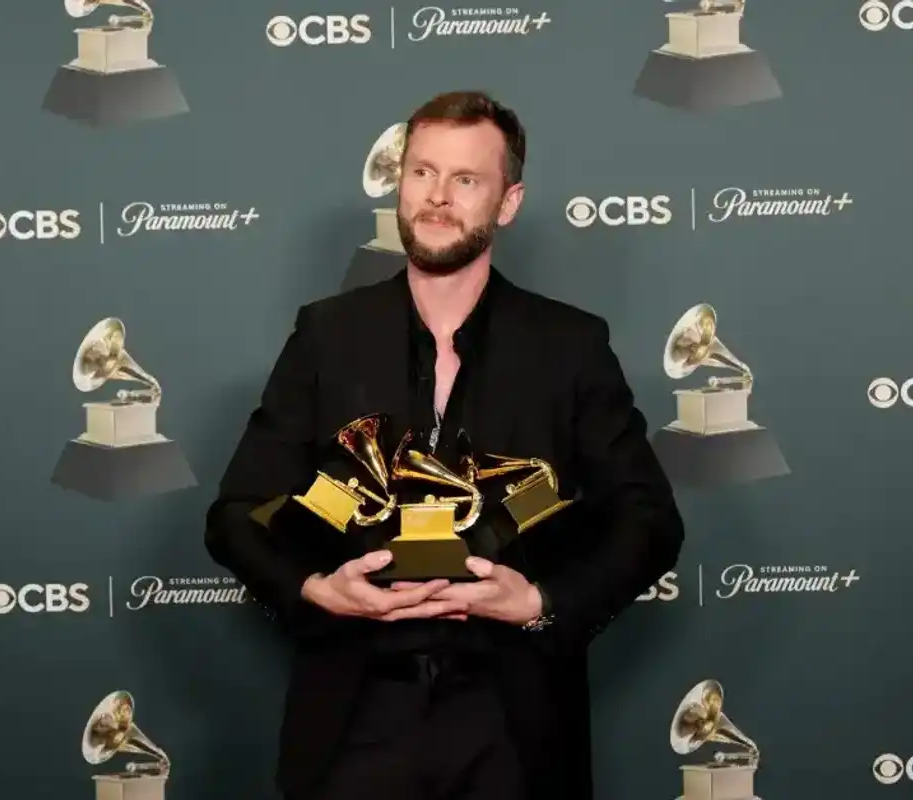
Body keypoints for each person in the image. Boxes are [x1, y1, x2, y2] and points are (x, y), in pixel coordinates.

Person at [205, 90, 685, 800]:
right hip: (352, 716)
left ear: (509, 201)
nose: (437, 198)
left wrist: (541, 602)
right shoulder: (325, 334)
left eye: (466, 180)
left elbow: (650, 522)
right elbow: (237, 513)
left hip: (514, 723)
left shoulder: (570, 345)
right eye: (422, 173)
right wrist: (316, 590)